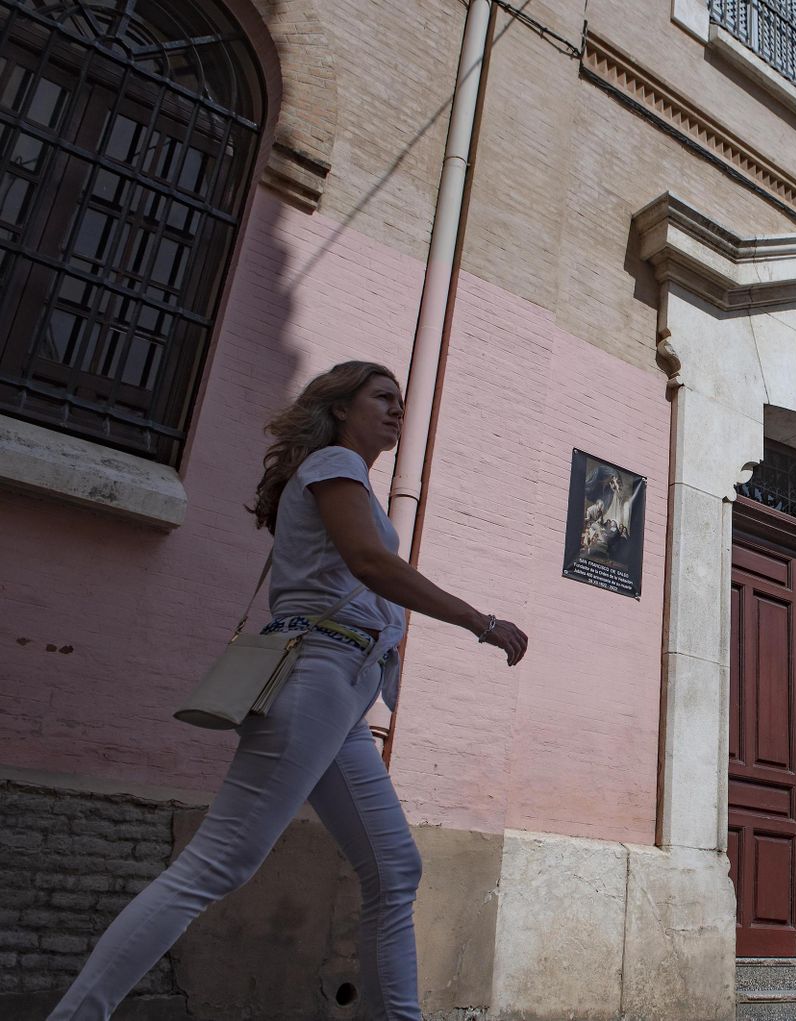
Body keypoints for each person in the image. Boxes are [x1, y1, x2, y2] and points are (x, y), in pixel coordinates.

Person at [47, 361, 527, 1020]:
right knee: (217, 864)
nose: (397, 410)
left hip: (345, 691)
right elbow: (369, 561)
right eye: (383, 397)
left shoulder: (341, 472)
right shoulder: (335, 463)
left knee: (393, 869)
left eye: (401, 401)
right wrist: (479, 619)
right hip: (316, 672)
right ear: (339, 408)